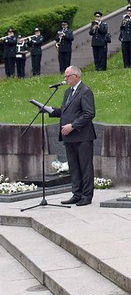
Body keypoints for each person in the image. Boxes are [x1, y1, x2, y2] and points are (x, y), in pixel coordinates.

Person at [45, 66, 96, 206]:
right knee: (73, 166)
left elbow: (89, 113)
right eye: (65, 76)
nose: (65, 79)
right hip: (69, 137)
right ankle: (76, 193)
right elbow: (65, 110)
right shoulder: (68, 92)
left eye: (68, 76)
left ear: (76, 76)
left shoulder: (85, 91)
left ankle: (86, 196)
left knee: (85, 167)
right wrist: (49, 110)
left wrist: (72, 126)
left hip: (82, 136)